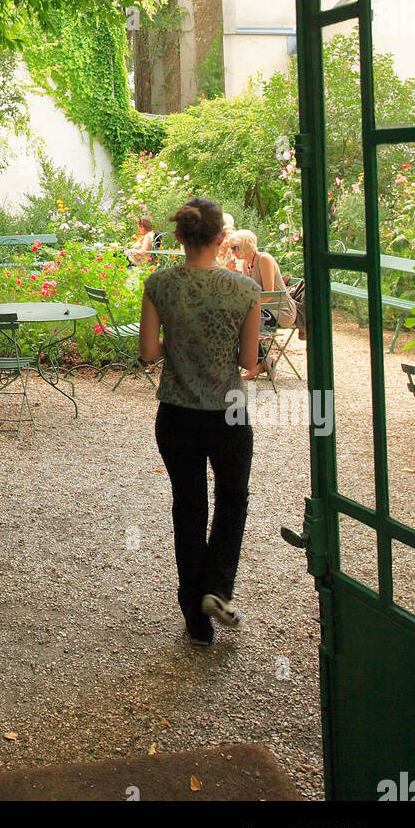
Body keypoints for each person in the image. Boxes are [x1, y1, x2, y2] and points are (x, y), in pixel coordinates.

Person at [139, 197, 261, 647]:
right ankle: (217, 588)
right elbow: (248, 361)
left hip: (176, 413)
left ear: (178, 238)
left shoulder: (160, 284)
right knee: (233, 500)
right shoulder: (244, 290)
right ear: (221, 239)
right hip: (228, 413)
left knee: (188, 507)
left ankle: (195, 613)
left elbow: (149, 353)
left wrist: (182, 345)